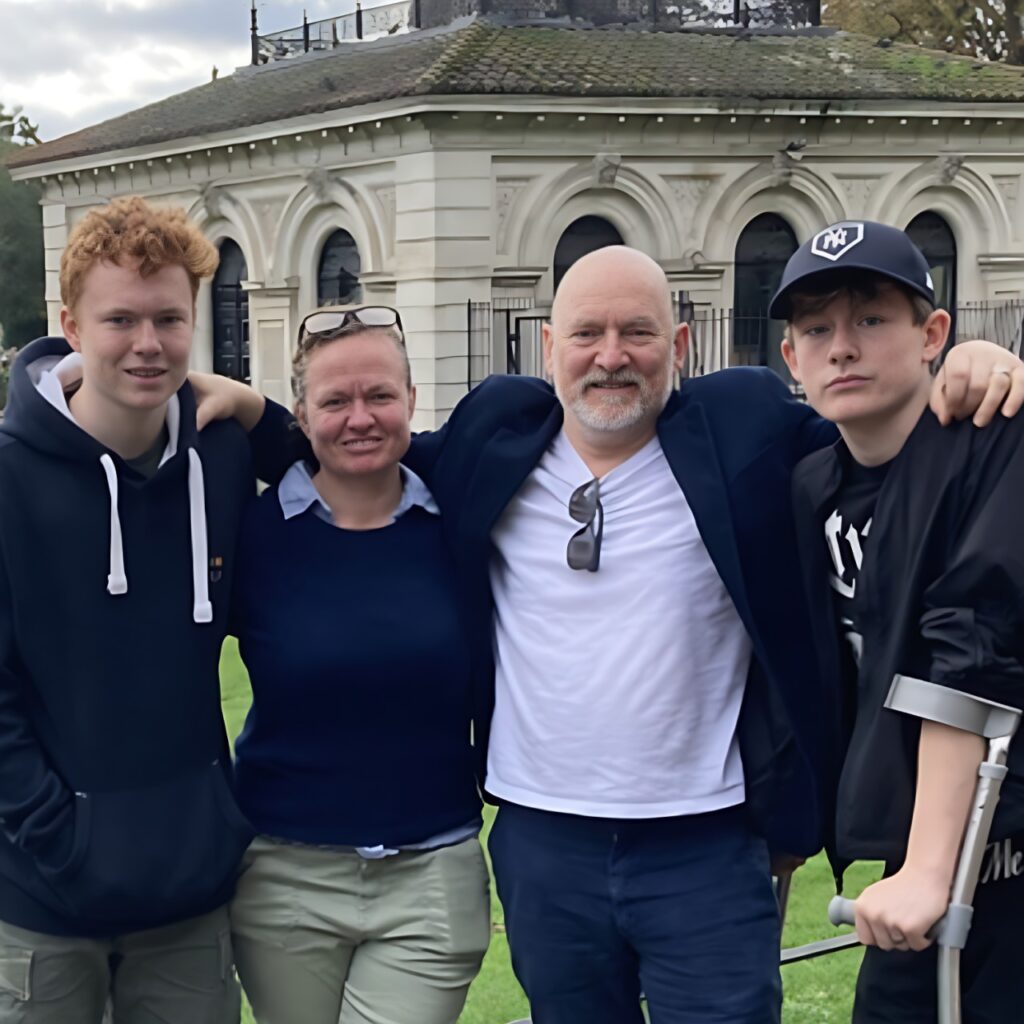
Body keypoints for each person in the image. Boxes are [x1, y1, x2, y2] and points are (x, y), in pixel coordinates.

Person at [194, 245, 1024, 1024]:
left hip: (708, 841)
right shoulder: (497, 439)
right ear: (551, 345)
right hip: (541, 842)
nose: (611, 355)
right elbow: (366, 444)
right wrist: (258, 414)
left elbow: (877, 431)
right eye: (587, 333)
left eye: (638, 332)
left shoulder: (747, 432)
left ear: (683, 344)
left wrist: (969, 366)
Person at [0, 196, 290, 1024]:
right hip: (40, 898)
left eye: (169, 318)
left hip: (190, 899)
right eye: (119, 319)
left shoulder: (221, 457)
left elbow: (336, 456)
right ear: (69, 324)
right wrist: (58, 837)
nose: (147, 343)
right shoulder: (10, 475)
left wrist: (252, 406)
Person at [777, 221, 1024, 1024]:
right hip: (912, 857)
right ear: (791, 359)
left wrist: (926, 869)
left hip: (1000, 846)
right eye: (817, 329)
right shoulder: (811, 482)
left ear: (934, 333)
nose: (842, 348)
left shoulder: (992, 440)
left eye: (872, 319)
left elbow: (970, 656)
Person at [227, 306, 489, 1024]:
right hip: (284, 873)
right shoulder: (251, 536)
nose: (360, 418)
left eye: (379, 395)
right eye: (335, 401)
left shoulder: (466, 523)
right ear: (302, 418)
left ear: (411, 400)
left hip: (431, 874)